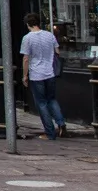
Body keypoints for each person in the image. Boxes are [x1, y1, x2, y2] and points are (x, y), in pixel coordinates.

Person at [21, 12, 68, 140]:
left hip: (36, 74)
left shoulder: (27, 38)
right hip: (50, 73)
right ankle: (61, 123)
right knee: (52, 99)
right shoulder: (49, 35)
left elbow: (26, 58)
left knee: (41, 103)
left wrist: (24, 75)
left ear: (27, 24)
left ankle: (50, 133)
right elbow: (57, 52)